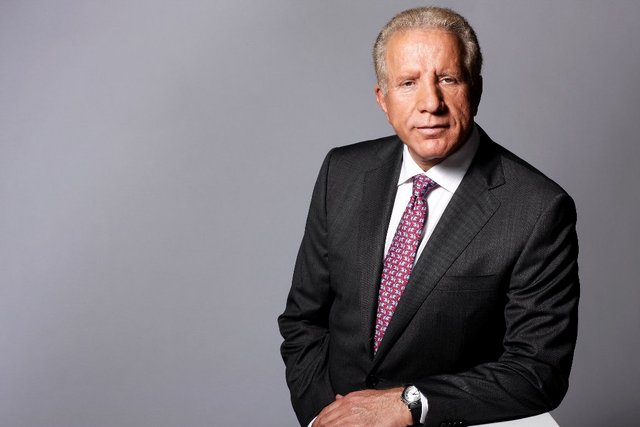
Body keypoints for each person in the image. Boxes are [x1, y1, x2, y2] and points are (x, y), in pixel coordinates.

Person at [278, 6, 579, 427]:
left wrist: (410, 403)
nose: (430, 103)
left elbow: (537, 372)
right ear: (383, 99)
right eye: (408, 83)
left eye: (448, 79)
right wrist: (324, 417)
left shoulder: (537, 209)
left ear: (475, 89)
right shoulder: (341, 173)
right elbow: (303, 321)